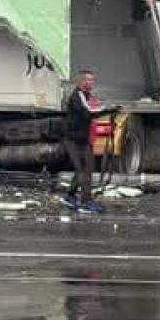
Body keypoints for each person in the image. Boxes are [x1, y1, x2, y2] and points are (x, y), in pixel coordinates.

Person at [63, 70, 110, 213]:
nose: (91, 83)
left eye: (92, 80)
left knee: (85, 169)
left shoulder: (88, 96)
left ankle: (70, 196)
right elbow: (88, 113)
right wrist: (108, 110)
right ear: (81, 82)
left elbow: (94, 110)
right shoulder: (77, 96)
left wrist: (108, 110)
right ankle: (85, 202)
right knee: (84, 170)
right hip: (74, 140)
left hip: (84, 139)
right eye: (88, 80)